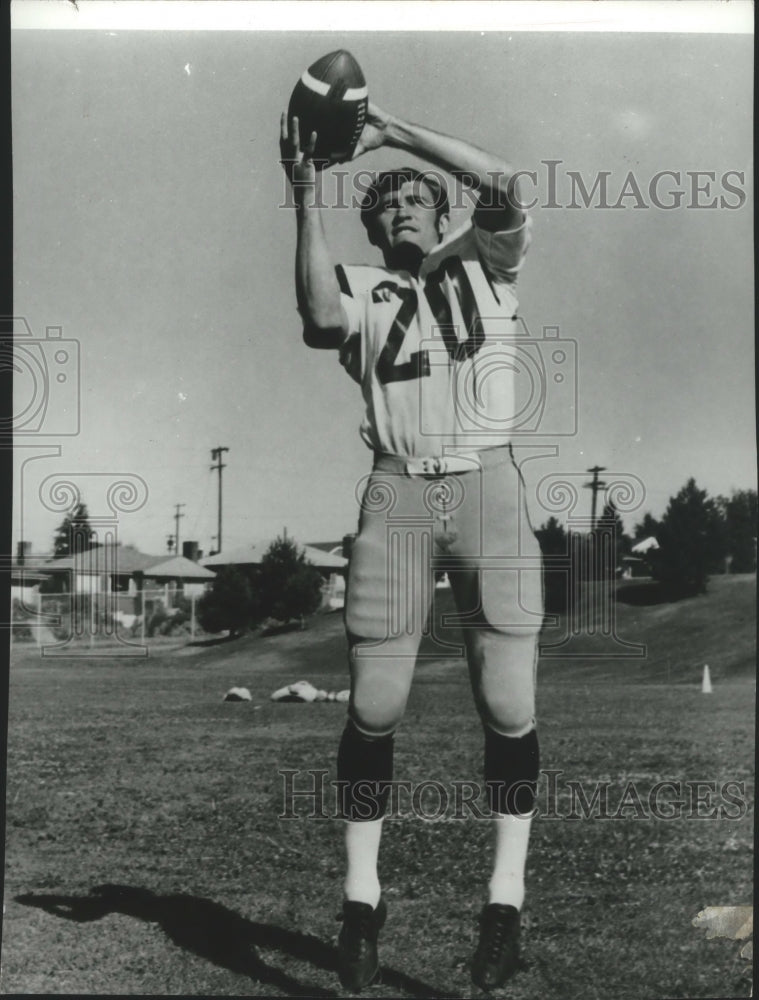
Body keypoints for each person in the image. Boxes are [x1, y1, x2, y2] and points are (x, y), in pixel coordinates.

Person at [279, 102, 544, 993]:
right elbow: (317, 316)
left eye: (413, 200)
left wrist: (391, 131)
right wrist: (305, 191)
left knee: (506, 704)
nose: (397, 208)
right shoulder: (362, 285)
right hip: (396, 484)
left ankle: (503, 902)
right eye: (383, 202)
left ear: (441, 212)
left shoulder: (486, 258)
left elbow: (505, 183)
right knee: (378, 701)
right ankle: (362, 898)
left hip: (487, 482)